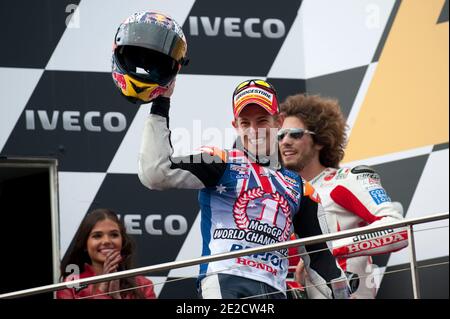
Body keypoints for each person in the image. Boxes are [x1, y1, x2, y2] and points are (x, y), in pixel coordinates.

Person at [138, 79, 347, 299]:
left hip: (275, 290)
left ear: (279, 122)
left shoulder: (302, 189)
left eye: (262, 120)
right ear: (235, 126)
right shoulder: (220, 161)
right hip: (225, 282)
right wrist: (161, 102)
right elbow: (155, 173)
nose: (254, 130)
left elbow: (322, 263)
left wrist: (340, 290)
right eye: (245, 123)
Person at [278, 93, 408, 298]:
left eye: (295, 134)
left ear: (319, 140)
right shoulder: (279, 197)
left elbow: (397, 228)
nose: (285, 141)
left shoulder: (345, 180)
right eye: (280, 135)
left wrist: (326, 250)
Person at [57, 208, 156, 299]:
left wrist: (116, 297)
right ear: (84, 245)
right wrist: (102, 291)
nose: (106, 241)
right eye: (97, 236)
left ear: (122, 241)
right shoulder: (71, 286)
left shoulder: (143, 285)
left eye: (114, 235)